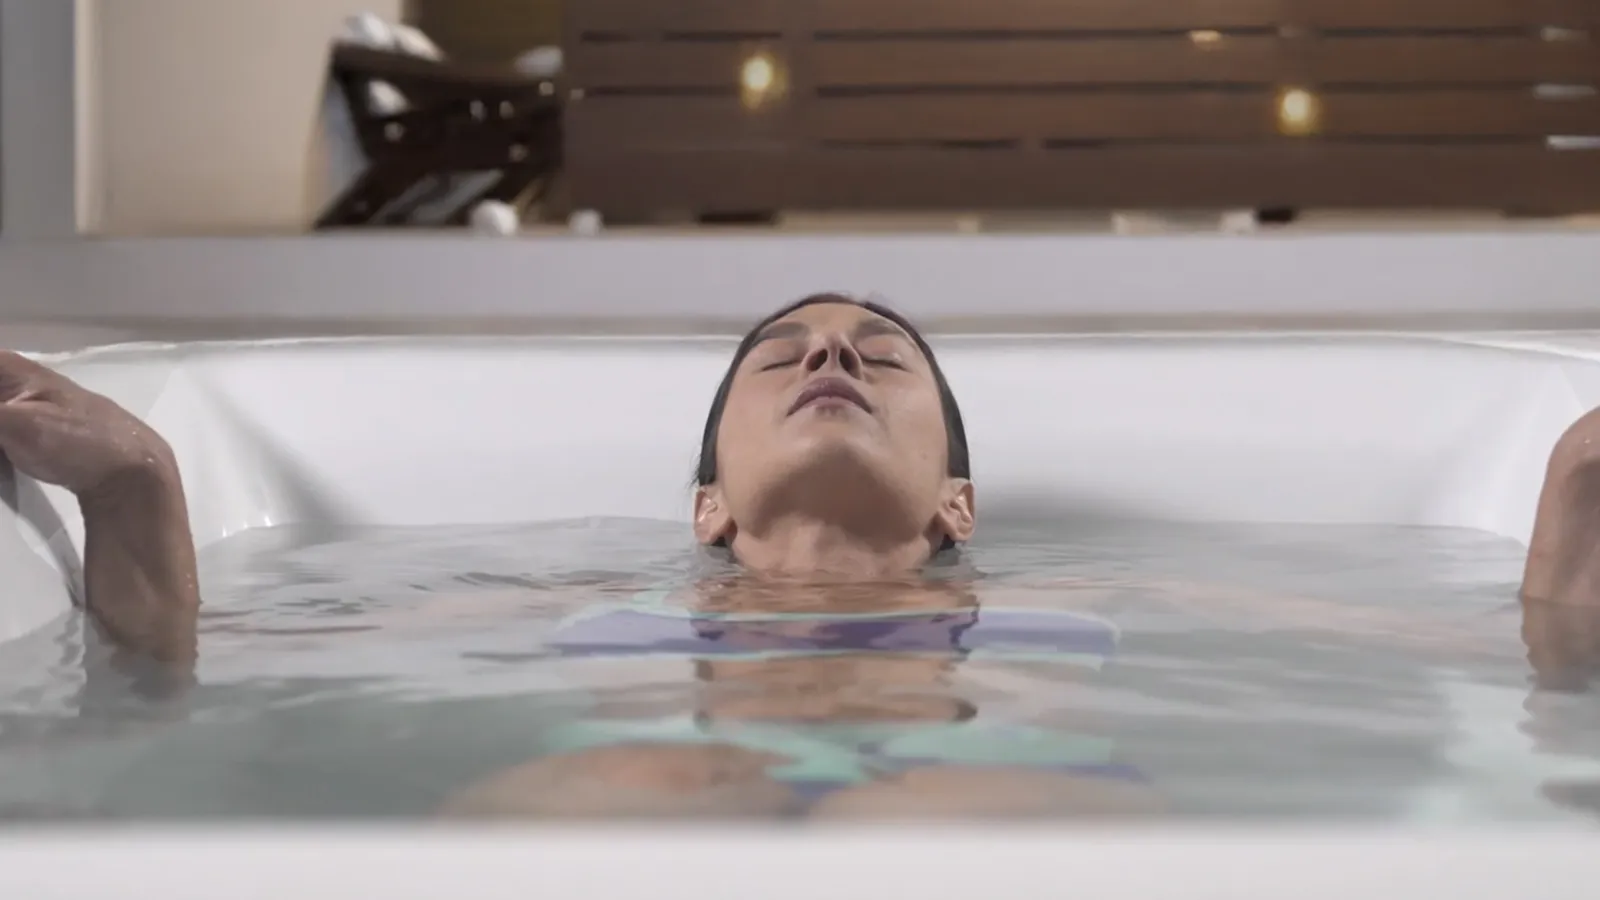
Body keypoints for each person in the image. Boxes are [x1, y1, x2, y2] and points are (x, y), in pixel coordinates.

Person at [2, 293, 1599, 816]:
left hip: (998, 778)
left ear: (955, 506)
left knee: (948, 811)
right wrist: (141, 479)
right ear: (706, 505)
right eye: (790, 351)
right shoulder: (577, 605)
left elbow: (1503, 672)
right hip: (640, 767)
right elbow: (172, 686)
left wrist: (1570, 507)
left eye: (877, 354)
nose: (833, 352)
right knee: (639, 794)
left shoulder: (1089, 604)